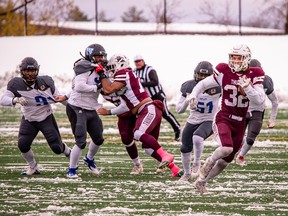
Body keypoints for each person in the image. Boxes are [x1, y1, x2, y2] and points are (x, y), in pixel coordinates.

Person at [186, 44, 266, 193]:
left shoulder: (254, 74)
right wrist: (193, 95)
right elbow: (203, 84)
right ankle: (209, 161)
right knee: (226, 148)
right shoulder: (224, 70)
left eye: (239, 58)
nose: (235, 61)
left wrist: (248, 88)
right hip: (224, 117)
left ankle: (201, 182)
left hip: (240, 122)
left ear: (246, 58)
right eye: (233, 57)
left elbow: (259, 101)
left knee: (225, 161)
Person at [96, 53, 183, 177]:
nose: (111, 70)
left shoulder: (123, 72)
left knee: (137, 133)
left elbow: (109, 89)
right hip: (146, 110)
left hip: (148, 109)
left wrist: (102, 74)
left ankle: (165, 155)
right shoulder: (127, 77)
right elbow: (125, 105)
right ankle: (175, 169)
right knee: (148, 148)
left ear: (120, 64)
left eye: (112, 67)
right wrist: (109, 112)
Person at [0, 57, 71, 175]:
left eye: (32, 71)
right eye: (27, 71)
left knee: (57, 148)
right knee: (22, 144)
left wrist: (72, 107)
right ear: (22, 71)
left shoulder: (46, 82)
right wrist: (15, 99)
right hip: (29, 119)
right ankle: (33, 167)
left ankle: (69, 152)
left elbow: (59, 97)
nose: (30, 74)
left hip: (46, 117)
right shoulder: (16, 84)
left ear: (37, 71)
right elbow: (3, 99)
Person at [64, 43, 107, 178]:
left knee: (98, 138)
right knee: (81, 141)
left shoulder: (101, 69)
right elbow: (79, 86)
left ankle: (89, 159)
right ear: (90, 55)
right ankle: (72, 170)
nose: (100, 58)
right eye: (97, 56)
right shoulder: (84, 67)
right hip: (77, 107)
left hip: (90, 107)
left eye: (102, 56)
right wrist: (97, 87)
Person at [176, 61, 221, 181]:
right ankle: (186, 173)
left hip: (209, 119)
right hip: (193, 120)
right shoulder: (189, 86)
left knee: (197, 137)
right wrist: (188, 100)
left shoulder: (218, 87)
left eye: (206, 76)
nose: (203, 78)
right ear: (196, 74)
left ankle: (197, 163)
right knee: (184, 147)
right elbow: (179, 110)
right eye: (200, 75)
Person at [235, 58, 279, 166]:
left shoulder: (266, 80)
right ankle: (241, 144)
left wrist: (272, 119)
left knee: (251, 139)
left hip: (257, 111)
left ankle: (240, 156)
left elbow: (274, 101)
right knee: (237, 136)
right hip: (243, 109)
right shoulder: (240, 78)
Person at [133, 55, 181, 141]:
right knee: (144, 114)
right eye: (136, 62)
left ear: (143, 61)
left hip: (157, 95)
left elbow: (155, 81)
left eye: (139, 61)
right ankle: (140, 132)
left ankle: (177, 128)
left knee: (165, 114)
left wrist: (141, 84)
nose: (138, 63)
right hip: (147, 98)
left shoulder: (150, 70)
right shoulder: (135, 71)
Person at [100, 92, 143, 175]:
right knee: (126, 138)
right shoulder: (98, 84)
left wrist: (109, 112)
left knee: (145, 136)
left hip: (140, 109)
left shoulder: (121, 80)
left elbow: (126, 104)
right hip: (125, 112)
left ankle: (162, 159)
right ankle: (137, 164)